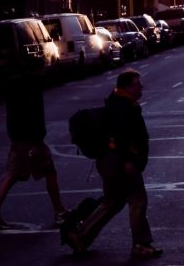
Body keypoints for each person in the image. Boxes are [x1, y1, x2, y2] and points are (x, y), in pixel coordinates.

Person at [67, 69, 162, 258]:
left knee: (113, 201)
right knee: (137, 200)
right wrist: (130, 161)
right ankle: (141, 244)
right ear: (127, 86)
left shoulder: (121, 102)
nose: (141, 86)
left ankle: (81, 235)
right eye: (137, 83)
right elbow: (121, 137)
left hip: (111, 161)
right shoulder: (122, 106)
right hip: (120, 162)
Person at [0, 71, 67, 229]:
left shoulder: (13, 89)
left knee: (13, 175)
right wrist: (37, 141)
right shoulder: (33, 90)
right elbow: (36, 117)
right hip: (32, 140)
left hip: (17, 139)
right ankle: (59, 212)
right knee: (50, 171)